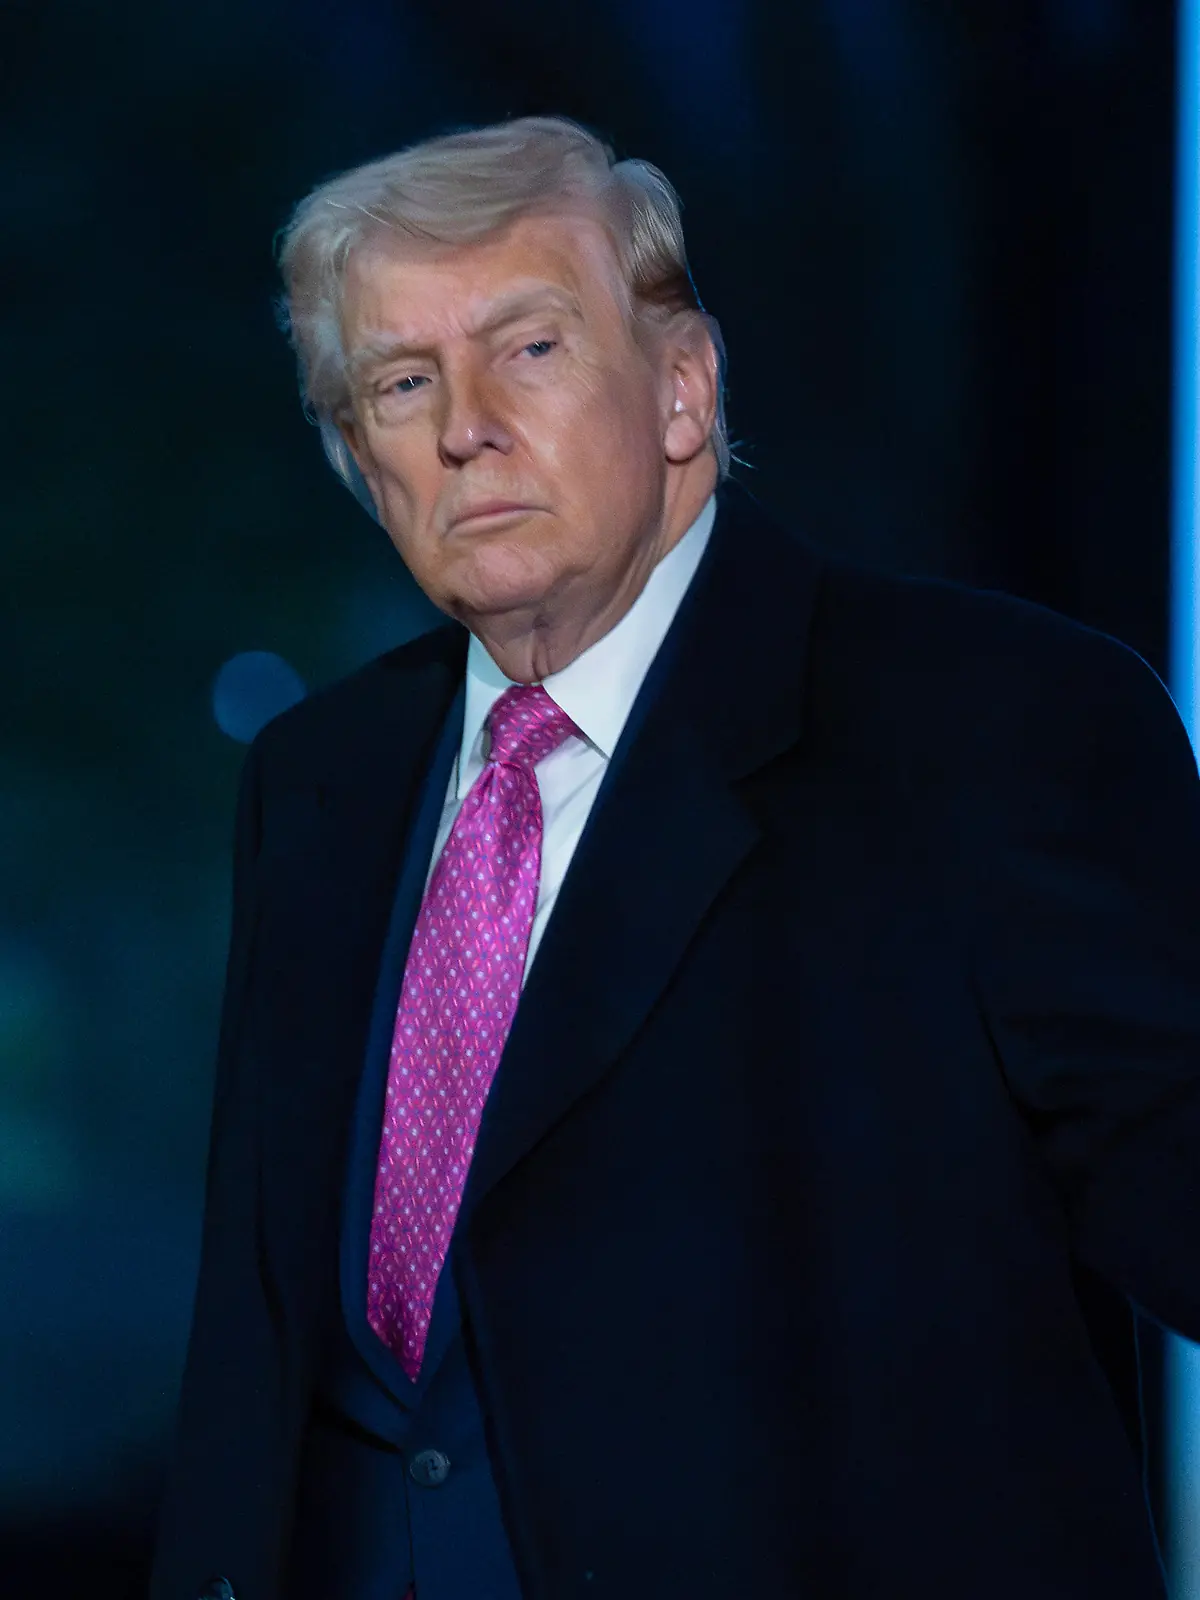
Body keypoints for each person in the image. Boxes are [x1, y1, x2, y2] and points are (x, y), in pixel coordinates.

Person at [150, 117, 1200, 1600]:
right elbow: (256, 1361)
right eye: (402, 383)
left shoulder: (995, 722)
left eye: (529, 349)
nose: (464, 425)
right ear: (357, 460)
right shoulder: (314, 782)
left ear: (683, 392)